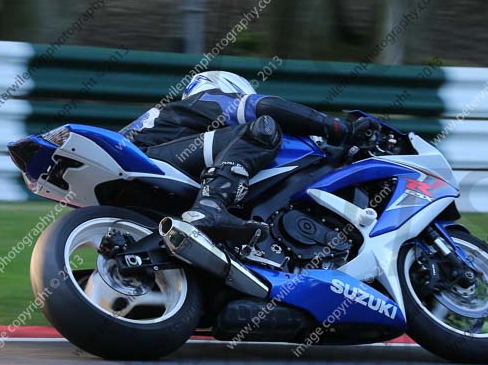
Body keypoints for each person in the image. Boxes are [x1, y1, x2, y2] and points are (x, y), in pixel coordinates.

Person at [121, 71, 377, 243]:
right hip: (147, 158)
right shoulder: (207, 98)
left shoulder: (174, 118)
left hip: (142, 180)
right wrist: (337, 128)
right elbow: (267, 107)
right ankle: (209, 207)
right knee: (264, 128)